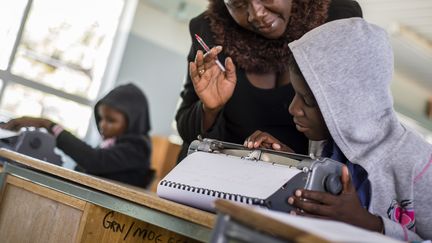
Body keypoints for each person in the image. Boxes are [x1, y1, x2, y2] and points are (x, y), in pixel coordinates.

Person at [244, 18, 432, 240]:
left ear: (350, 104)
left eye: (308, 101)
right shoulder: (325, 142)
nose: (294, 108)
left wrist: (371, 225)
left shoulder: (419, 164)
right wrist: (294, 169)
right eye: (295, 94)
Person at [175, 0, 363, 161]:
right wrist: (210, 110)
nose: (256, 14)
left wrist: (294, 164)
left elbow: (351, 127)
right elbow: (187, 130)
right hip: (220, 174)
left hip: (303, 186)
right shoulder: (209, 28)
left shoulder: (336, 18)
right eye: (238, 4)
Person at [1, 83, 154, 188]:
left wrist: (47, 124)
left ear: (133, 121)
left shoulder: (138, 148)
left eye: (111, 120)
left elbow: (94, 160)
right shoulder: (110, 144)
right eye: (101, 118)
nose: (102, 125)